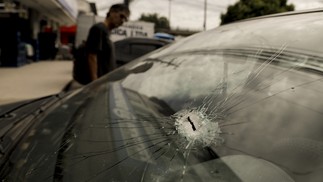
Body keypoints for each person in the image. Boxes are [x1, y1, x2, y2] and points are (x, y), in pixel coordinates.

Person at [86, 3, 130, 82]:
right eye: (121, 16)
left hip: (106, 81)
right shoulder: (99, 29)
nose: (122, 21)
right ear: (112, 12)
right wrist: (95, 82)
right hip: (100, 83)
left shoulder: (106, 31)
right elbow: (92, 56)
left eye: (125, 19)